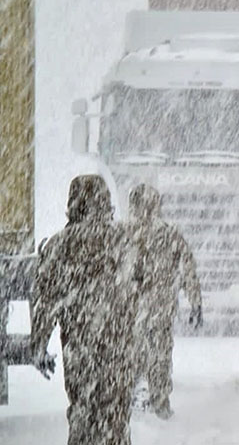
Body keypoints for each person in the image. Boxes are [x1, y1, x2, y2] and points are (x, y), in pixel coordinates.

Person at [31, 175, 140, 445]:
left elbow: (45, 302)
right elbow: (139, 292)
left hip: (79, 349)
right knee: (116, 417)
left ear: (73, 203)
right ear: (106, 202)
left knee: (83, 412)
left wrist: (39, 345)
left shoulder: (59, 245)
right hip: (119, 348)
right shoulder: (123, 241)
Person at [127, 183, 202, 419]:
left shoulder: (124, 233)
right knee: (160, 357)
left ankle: (134, 404)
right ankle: (159, 405)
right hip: (161, 308)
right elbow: (188, 269)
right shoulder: (170, 233)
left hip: (132, 310)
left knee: (133, 357)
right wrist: (195, 302)